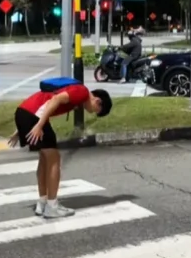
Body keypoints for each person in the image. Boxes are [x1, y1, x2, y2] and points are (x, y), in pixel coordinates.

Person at [7, 84, 112, 218]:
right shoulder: (82, 92)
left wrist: (21, 129)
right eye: (96, 110)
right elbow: (55, 100)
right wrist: (38, 125)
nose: (91, 112)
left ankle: (43, 202)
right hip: (34, 118)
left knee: (45, 159)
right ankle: (52, 206)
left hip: (24, 113)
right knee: (53, 159)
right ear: (98, 101)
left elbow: (42, 104)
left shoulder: (78, 96)